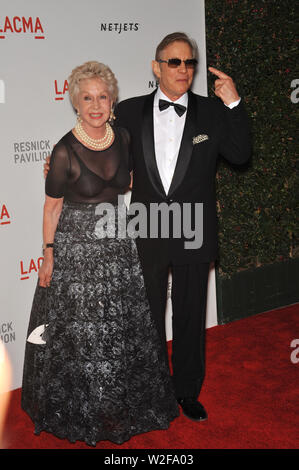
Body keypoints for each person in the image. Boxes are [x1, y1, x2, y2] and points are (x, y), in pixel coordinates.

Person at [21, 61, 179, 447]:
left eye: (102, 97)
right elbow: (51, 208)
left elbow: (129, 180)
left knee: (122, 327)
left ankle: (122, 403)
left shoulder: (123, 137)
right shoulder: (63, 151)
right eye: (87, 98)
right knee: (83, 332)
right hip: (77, 249)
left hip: (118, 241)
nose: (95, 105)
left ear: (112, 101)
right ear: (76, 102)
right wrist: (48, 254)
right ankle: (85, 411)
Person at [114, 32, 251, 421]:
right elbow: (108, 163)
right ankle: (154, 388)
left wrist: (234, 103)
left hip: (194, 226)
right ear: (157, 67)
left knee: (191, 313)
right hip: (148, 224)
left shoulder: (212, 111)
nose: (184, 69)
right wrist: (65, 167)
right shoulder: (127, 111)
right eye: (174, 62)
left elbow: (240, 155)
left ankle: (187, 390)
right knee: (149, 314)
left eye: (189, 62)